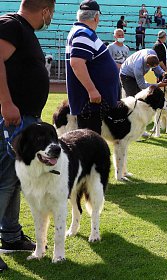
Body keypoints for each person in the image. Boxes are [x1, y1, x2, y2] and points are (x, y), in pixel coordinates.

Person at [0, 0, 56, 271]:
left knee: (14, 179)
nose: (51, 17)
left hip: (24, 118)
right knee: (4, 181)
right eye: (52, 12)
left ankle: (10, 236)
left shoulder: (23, 30)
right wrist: (6, 103)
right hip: (12, 117)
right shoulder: (12, 25)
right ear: (45, 9)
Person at [66, 0, 119, 135]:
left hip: (93, 104)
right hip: (90, 105)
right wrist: (92, 90)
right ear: (96, 17)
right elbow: (77, 63)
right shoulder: (83, 33)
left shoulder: (80, 32)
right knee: (91, 146)